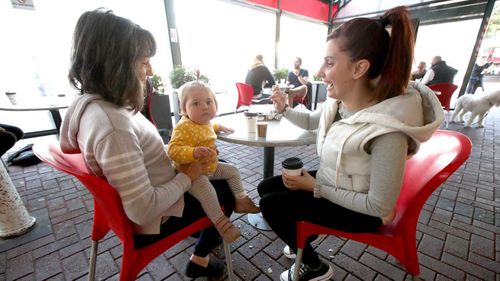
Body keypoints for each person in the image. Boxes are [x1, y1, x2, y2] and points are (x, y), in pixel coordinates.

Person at [260, 6, 444, 281]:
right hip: (335, 183)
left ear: (360, 68)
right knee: (266, 187)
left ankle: (314, 266)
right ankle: (298, 235)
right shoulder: (341, 103)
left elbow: (380, 208)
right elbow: (313, 121)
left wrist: (315, 187)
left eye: (330, 63)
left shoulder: (387, 129)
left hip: (361, 211)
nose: (321, 71)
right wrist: (284, 108)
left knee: (273, 205)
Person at [61, 9, 235, 280]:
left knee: (213, 177)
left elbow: (138, 156)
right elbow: (142, 210)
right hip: (156, 217)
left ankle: (200, 245)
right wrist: (187, 177)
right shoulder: (113, 127)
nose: (150, 71)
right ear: (115, 65)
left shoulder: (94, 106)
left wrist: (176, 154)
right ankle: (199, 258)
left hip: (149, 192)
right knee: (225, 192)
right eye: (143, 62)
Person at [168, 80, 260, 242]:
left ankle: (241, 200)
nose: (204, 107)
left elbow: (208, 126)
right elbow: (172, 150)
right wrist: (192, 152)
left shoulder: (204, 121)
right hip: (193, 175)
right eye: (196, 103)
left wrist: (219, 127)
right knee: (208, 191)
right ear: (184, 110)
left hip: (211, 167)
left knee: (233, 170)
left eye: (209, 102)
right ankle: (222, 225)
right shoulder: (183, 127)